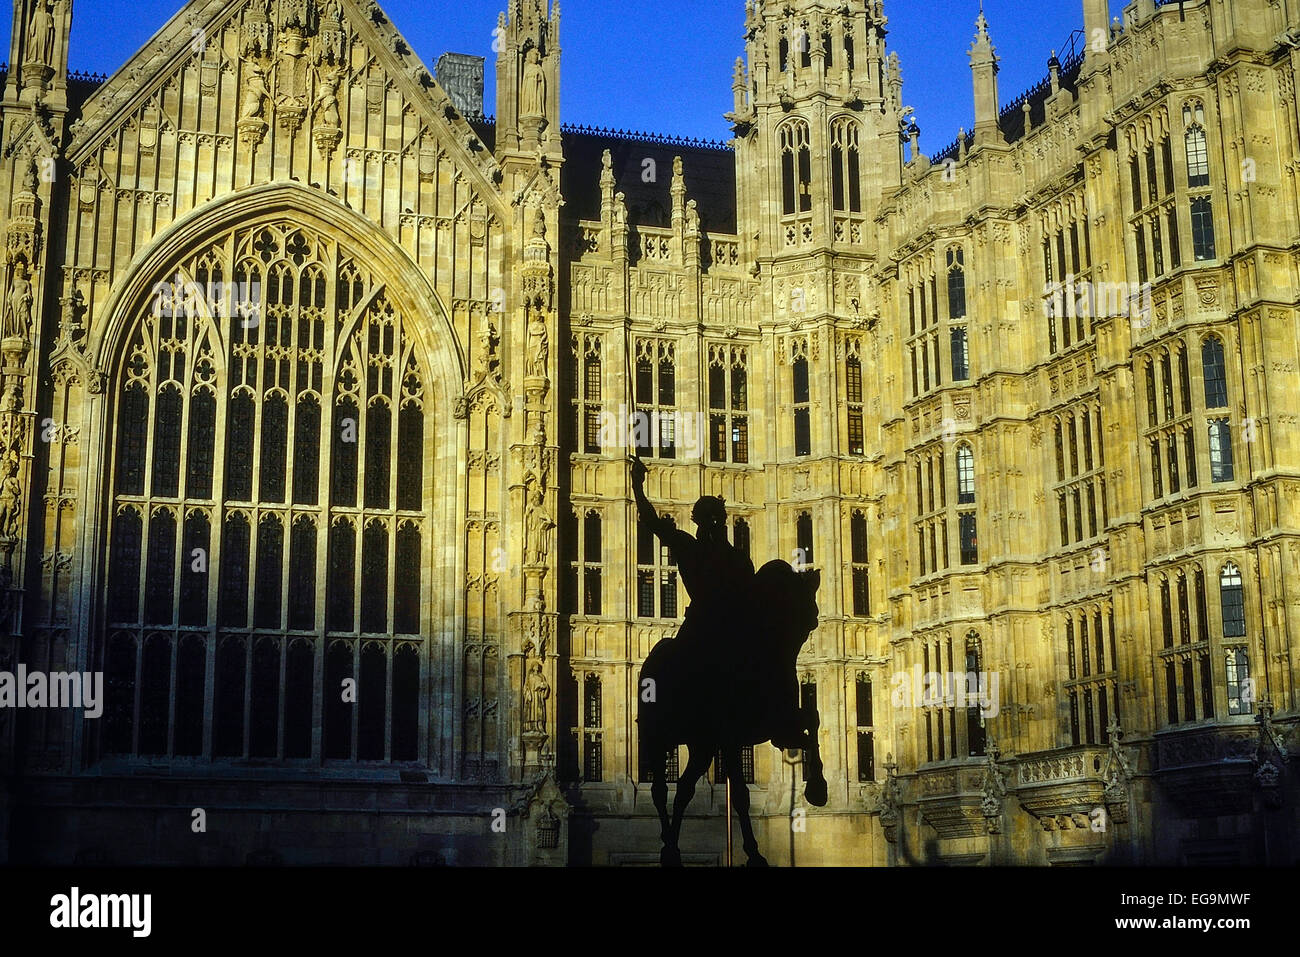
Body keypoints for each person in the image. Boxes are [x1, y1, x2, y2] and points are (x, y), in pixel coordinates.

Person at [630, 456, 754, 687]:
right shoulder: (721, 555)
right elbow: (652, 522)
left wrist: (637, 486)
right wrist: (637, 487)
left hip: (706, 626)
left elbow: (652, 522)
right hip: (720, 628)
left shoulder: (697, 550)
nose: (709, 527)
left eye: (712, 522)